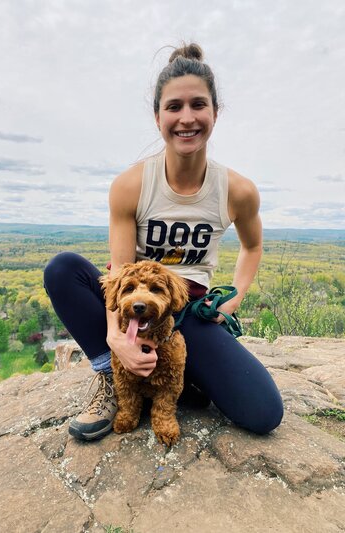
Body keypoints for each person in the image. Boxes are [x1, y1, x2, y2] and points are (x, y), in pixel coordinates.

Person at [44, 43, 284, 442]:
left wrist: (235, 297)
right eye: (174, 107)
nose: (186, 118)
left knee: (262, 412)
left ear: (215, 113)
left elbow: (252, 246)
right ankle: (111, 375)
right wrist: (117, 338)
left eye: (198, 105)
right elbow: (119, 271)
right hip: (133, 304)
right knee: (63, 269)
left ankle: (179, 376)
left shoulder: (237, 191)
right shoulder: (131, 185)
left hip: (187, 310)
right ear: (158, 117)